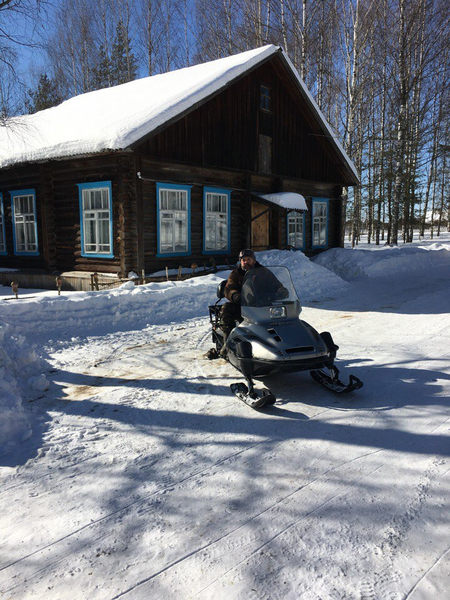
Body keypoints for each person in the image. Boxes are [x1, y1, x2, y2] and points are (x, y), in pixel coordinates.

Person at [219, 249, 287, 356]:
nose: (245, 262)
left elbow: (276, 284)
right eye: (243, 260)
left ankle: (283, 342)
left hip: (263, 306)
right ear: (240, 261)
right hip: (243, 307)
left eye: (248, 259)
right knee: (226, 308)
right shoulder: (236, 274)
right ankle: (227, 343)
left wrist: (281, 291)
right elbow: (229, 288)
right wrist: (235, 295)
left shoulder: (263, 272)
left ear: (254, 260)